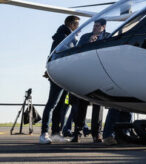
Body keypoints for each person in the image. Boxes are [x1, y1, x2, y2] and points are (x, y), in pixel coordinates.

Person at [39, 15, 80, 144]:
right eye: (77, 25)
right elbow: (54, 54)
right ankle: (44, 133)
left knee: (60, 105)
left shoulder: (66, 37)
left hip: (64, 74)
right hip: (59, 74)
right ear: (72, 25)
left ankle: (56, 133)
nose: (78, 28)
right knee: (52, 104)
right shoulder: (63, 37)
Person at [71, 19, 109, 143]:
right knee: (81, 104)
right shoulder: (85, 37)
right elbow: (77, 51)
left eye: (97, 26)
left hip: (99, 74)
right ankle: (77, 132)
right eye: (94, 25)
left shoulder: (109, 37)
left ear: (103, 27)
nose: (94, 28)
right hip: (85, 74)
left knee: (98, 104)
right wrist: (88, 43)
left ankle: (96, 134)